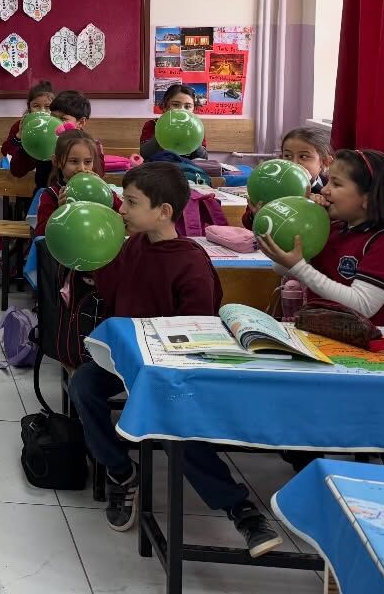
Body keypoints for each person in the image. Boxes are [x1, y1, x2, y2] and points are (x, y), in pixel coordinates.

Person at [69, 162, 282, 555]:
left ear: (164, 211)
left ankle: (241, 510)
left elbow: (199, 331)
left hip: (171, 368)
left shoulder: (190, 261)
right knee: (83, 384)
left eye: (131, 202)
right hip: (128, 360)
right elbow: (112, 296)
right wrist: (95, 260)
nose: (122, 209)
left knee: (169, 421)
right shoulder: (131, 245)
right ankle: (122, 472)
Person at [255, 148, 384, 326]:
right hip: (328, 333)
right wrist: (299, 218)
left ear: (368, 198)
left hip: (381, 339)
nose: (324, 190)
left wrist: (299, 268)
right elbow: (281, 268)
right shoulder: (333, 228)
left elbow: (362, 305)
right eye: (328, 181)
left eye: (336, 184)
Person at [241, 125, 333, 229]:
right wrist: (255, 215)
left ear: (325, 162)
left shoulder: (329, 191)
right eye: (288, 156)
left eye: (303, 156)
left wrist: (322, 210)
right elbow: (247, 223)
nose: (294, 163)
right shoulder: (273, 185)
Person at [33, 128, 115, 238]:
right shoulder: (51, 195)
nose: (82, 168)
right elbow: (40, 234)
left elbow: (123, 214)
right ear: (56, 161)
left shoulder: (100, 190)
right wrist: (61, 212)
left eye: (88, 162)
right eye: (74, 161)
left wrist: (104, 191)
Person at [9, 89, 95, 190]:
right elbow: (17, 171)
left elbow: (96, 177)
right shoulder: (44, 139)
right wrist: (22, 138)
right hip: (44, 195)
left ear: (81, 122)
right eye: (53, 117)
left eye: (63, 119)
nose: (56, 123)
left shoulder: (88, 145)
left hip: (73, 196)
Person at [140, 83, 209, 162]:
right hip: (160, 167)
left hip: (187, 167)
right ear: (165, 107)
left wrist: (195, 137)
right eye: (176, 105)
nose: (181, 110)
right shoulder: (152, 124)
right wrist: (161, 133)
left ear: (193, 109)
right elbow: (144, 154)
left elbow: (203, 157)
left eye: (187, 106)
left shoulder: (197, 127)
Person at [1, 79, 55, 169]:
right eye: (36, 106)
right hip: (26, 169)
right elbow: (5, 151)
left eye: (47, 107)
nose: (42, 111)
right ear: (29, 107)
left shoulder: (58, 126)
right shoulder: (20, 125)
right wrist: (18, 136)